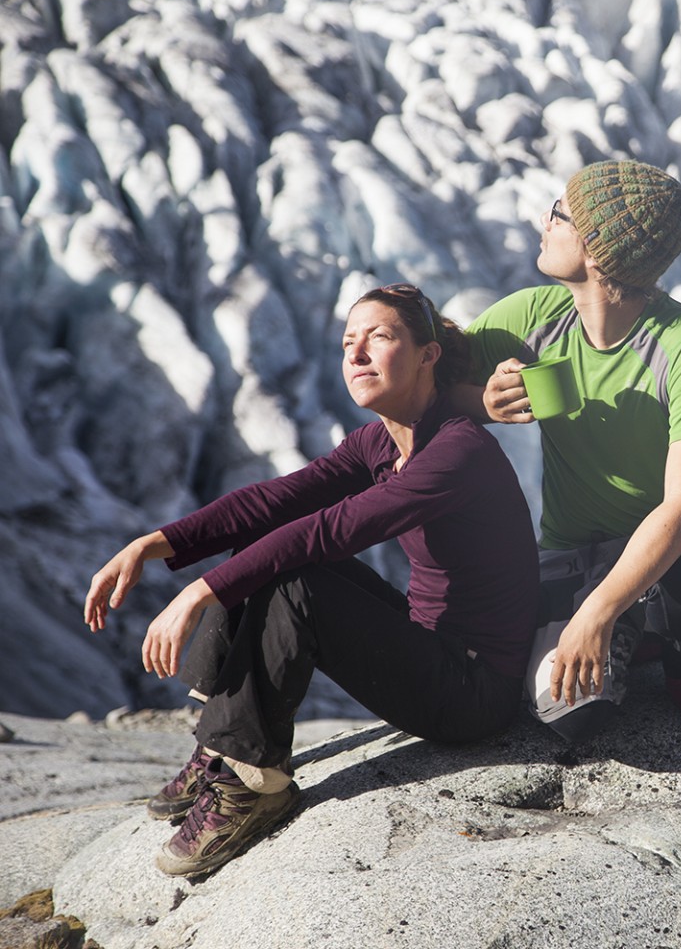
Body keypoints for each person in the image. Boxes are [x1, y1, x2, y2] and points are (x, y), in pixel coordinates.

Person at [84, 284, 539, 877]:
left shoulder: (458, 452)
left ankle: (254, 782)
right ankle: (217, 745)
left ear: (429, 354)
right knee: (259, 546)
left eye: (379, 337)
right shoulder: (383, 439)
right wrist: (151, 546)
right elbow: (275, 502)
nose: (357, 356)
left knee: (296, 579)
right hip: (429, 645)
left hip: (471, 690)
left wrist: (201, 590)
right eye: (349, 342)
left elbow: (330, 531)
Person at [459, 160, 681, 746]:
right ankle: (633, 637)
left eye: (559, 214)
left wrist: (597, 612)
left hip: (669, 559)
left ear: (596, 251)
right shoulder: (533, 318)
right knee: (571, 715)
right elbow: (430, 374)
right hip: (568, 555)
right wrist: (478, 400)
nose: (545, 220)